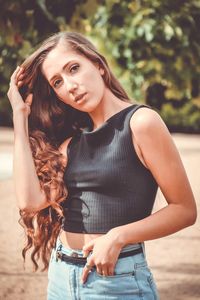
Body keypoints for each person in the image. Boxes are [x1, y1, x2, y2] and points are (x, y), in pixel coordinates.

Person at [7, 31, 197, 300]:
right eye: (58, 82)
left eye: (74, 68)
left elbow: (185, 210)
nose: (70, 85)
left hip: (115, 280)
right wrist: (19, 115)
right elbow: (29, 201)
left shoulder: (141, 123)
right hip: (61, 277)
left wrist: (118, 236)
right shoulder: (71, 144)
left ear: (97, 64)